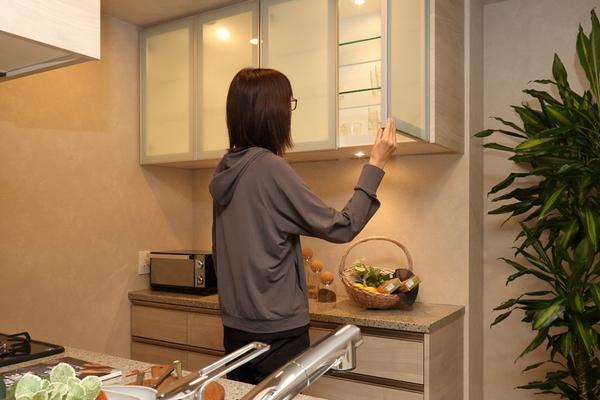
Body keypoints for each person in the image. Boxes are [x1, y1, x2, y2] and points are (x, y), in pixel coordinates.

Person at [209, 67, 397, 384]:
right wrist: (376, 162)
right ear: (273, 112)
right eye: (288, 103)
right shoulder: (270, 168)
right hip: (278, 333)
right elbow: (343, 227)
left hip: (236, 329)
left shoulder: (226, 167)